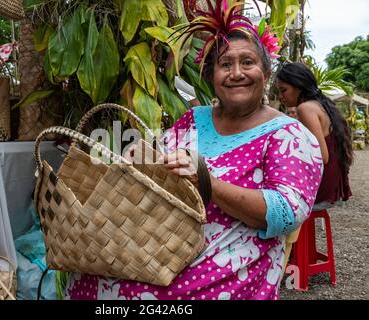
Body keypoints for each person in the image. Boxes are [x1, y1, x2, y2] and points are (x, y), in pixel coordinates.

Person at [65, 0, 323, 300]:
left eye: (247, 62)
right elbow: (159, 171)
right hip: (161, 245)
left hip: (225, 267)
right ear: (210, 76)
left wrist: (206, 183)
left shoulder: (289, 135)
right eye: (225, 64)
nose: (236, 73)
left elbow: (287, 214)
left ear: (265, 71)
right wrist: (142, 158)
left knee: (133, 294)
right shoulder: (193, 119)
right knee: (89, 272)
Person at [276, 62, 353, 210]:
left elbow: (321, 156)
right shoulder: (322, 104)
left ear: (298, 87)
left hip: (321, 191)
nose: (280, 96)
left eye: (283, 90)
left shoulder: (305, 108)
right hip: (334, 186)